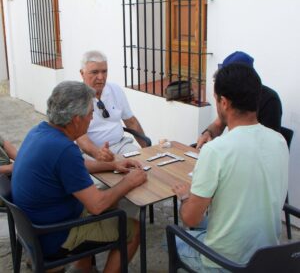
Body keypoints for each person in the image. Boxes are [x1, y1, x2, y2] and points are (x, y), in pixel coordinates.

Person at [12, 81, 147, 273]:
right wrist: (129, 181)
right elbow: (97, 205)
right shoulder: (64, 149)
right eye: (91, 113)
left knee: (112, 204)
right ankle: (80, 261)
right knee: (133, 229)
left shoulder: (40, 131)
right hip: (53, 236)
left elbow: (76, 166)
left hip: (35, 227)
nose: (92, 118)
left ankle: (83, 267)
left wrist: (112, 165)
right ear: (76, 119)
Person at [172, 64, 289, 272]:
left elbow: (191, 218)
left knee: (172, 238)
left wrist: (185, 197)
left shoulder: (216, 150)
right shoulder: (279, 141)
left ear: (224, 102)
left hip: (224, 263)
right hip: (268, 258)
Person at [196, 51, 282, 149]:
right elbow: (219, 122)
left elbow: (267, 143)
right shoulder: (231, 94)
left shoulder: (270, 100)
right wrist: (208, 133)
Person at [77, 50, 147, 159]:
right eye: (95, 72)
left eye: (104, 71)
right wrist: (99, 154)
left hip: (121, 145)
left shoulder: (115, 90)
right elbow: (81, 137)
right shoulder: (75, 96)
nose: (101, 77)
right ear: (82, 73)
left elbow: (131, 122)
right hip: (90, 151)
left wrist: (148, 151)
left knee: (142, 164)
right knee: (104, 175)